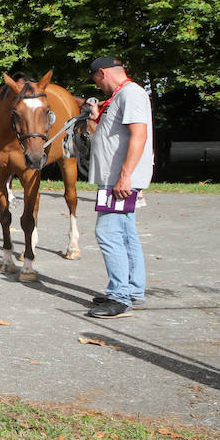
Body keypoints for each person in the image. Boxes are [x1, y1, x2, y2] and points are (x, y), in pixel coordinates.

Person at [84, 56, 154, 318]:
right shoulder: (121, 96)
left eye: (95, 79)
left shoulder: (130, 94)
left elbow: (139, 134)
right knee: (125, 234)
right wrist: (95, 117)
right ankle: (133, 292)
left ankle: (119, 298)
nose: (96, 85)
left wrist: (125, 176)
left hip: (119, 182)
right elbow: (115, 135)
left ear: (102, 73)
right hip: (115, 180)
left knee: (108, 232)